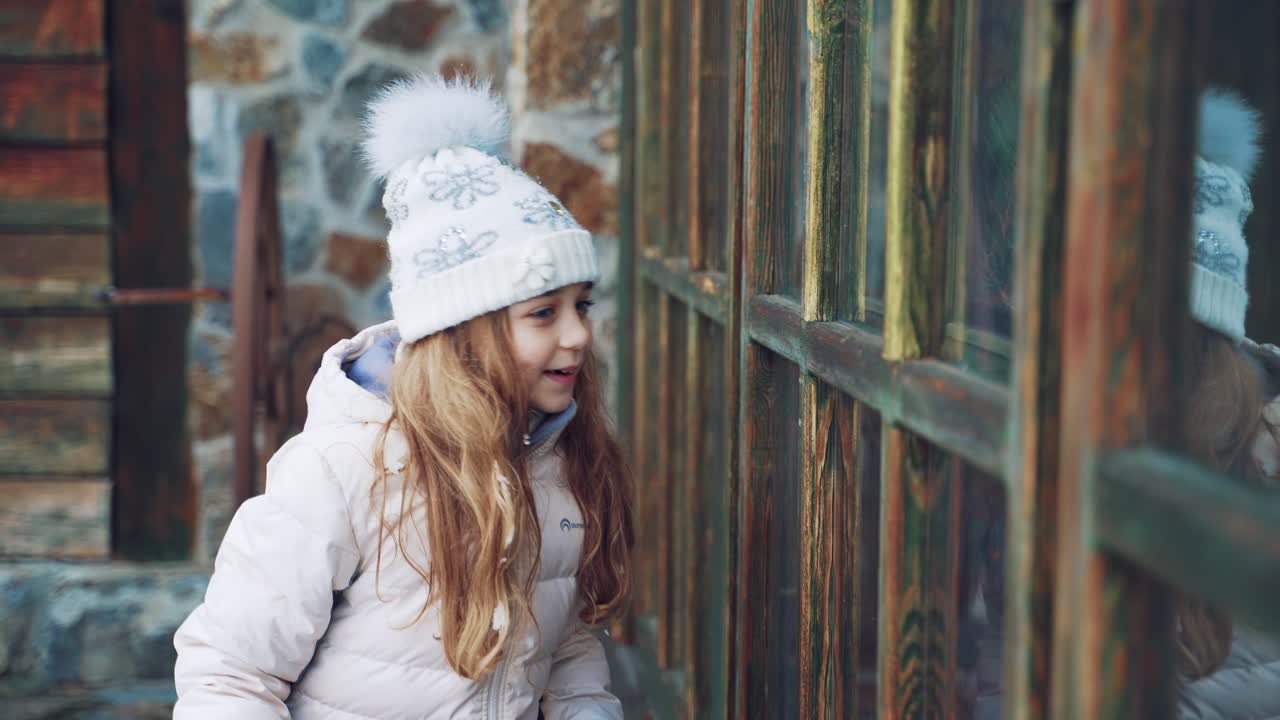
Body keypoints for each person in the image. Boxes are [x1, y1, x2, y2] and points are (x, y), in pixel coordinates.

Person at [172, 75, 634, 720]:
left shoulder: (555, 462)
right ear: (463, 331)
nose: (579, 335)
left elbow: (561, 644)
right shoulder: (341, 470)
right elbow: (228, 676)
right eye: (543, 313)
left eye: (581, 306)